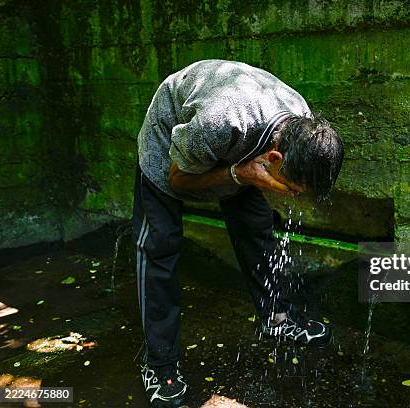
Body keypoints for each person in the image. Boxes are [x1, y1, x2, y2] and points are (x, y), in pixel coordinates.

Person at [132, 59, 344, 407]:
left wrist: (241, 174)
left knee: (256, 227)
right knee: (159, 246)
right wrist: (238, 175)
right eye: (291, 188)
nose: (294, 196)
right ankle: (158, 363)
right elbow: (178, 179)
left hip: (237, 149)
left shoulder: (302, 121)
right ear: (274, 157)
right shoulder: (218, 122)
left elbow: (247, 171)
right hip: (171, 147)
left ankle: (277, 317)